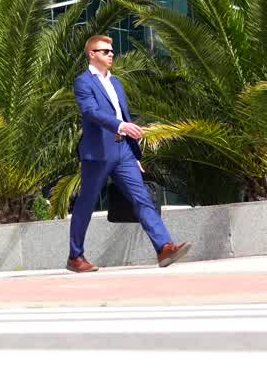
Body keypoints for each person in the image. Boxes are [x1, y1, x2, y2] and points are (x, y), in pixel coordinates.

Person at [67, 35, 191, 273]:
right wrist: (120, 126)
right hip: (98, 153)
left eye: (112, 51)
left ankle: (164, 247)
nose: (111, 54)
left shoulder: (117, 84)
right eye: (105, 51)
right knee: (86, 203)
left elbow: (125, 116)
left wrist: (134, 154)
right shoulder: (83, 82)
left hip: (123, 151)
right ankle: (75, 257)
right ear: (92, 54)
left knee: (142, 197)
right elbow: (91, 112)